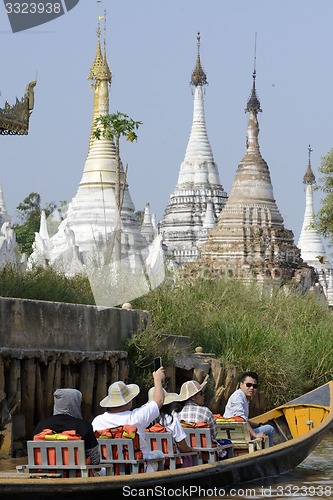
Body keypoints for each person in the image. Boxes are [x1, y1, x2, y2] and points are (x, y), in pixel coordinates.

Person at [92, 366, 165, 471]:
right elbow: (159, 401)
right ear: (127, 401)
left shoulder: (97, 421)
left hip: (107, 470)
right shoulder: (136, 417)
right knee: (159, 454)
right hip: (137, 468)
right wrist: (157, 380)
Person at [33, 388, 100, 466]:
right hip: (77, 476)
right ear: (75, 404)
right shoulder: (83, 425)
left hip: (46, 474)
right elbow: (95, 460)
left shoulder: (42, 425)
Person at [223, 371, 274, 446]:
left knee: (263, 427)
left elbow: (243, 419)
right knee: (270, 429)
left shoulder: (244, 398)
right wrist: (255, 435)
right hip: (237, 434)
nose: (251, 388)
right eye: (248, 385)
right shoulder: (238, 397)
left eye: (254, 386)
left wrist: (258, 425)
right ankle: (269, 452)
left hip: (238, 431)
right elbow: (241, 419)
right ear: (241, 384)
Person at [147, 387, 193, 454]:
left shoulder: (146, 421)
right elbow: (183, 448)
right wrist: (191, 449)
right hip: (171, 461)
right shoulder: (172, 420)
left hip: (150, 460)